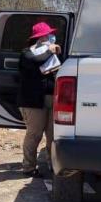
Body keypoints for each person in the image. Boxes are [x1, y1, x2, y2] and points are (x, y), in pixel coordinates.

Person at [18, 21, 61, 177]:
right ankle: (29, 167)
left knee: (52, 134)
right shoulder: (26, 54)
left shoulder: (50, 52)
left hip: (51, 98)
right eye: (47, 35)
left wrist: (54, 53)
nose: (50, 37)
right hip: (33, 101)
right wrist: (50, 51)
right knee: (34, 134)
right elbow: (36, 61)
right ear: (40, 37)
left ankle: (53, 164)